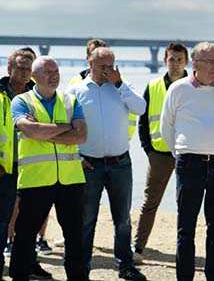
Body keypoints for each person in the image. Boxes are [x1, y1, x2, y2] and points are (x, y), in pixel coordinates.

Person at [67, 47, 147, 281]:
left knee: (122, 219)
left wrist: (120, 84)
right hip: (88, 165)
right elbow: (67, 127)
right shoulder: (75, 90)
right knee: (86, 219)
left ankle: (126, 266)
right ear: (89, 62)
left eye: (111, 65)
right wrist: (77, 157)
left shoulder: (122, 86)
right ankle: (82, 268)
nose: (108, 70)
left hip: (120, 163)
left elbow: (140, 108)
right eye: (103, 66)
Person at [160, 42, 214, 281]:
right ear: (195, 64)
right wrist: (184, 153)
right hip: (189, 164)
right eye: (210, 62)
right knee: (186, 227)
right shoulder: (178, 89)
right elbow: (166, 127)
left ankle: (213, 276)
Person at [8, 56, 87, 281]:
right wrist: (64, 128)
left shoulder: (70, 100)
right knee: (25, 234)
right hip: (36, 180)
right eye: (48, 72)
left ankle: (77, 277)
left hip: (71, 180)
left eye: (56, 71)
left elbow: (81, 135)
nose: (54, 76)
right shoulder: (21, 101)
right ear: (34, 76)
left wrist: (44, 131)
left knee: (75, 235)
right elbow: (32, 132)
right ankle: (20, 276)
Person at [133, 42, 189, 264]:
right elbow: (143, 121)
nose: (174, 64)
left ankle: (183, 252)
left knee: (186, 204)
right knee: (150, 202)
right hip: (159, 155)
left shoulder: (194, 86)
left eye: (179, 59)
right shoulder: (154, 85)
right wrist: (148, 149)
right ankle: (137, 248)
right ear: (165, 60)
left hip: (188, 154)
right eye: (171, 59)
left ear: (186, 62)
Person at [0, 48, 53, 279]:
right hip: (4, 169)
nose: (24, 73)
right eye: (19, 68)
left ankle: (29, 263)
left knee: (30, 220)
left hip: (33, 168)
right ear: (9, 69)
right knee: (2, 219)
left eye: (27, 69)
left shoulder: (39, 96)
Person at [68, 38, 137, 140]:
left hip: (119, 143)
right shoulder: (75, 83)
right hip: (86, 146)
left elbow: (136, 108)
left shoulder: (121, 83)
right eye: (95, 54)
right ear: (88, 59)